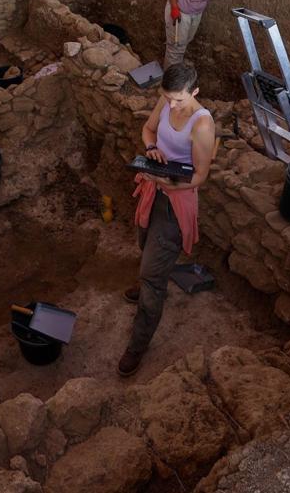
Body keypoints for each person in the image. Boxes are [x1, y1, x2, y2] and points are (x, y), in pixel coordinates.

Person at [118, 62, 216, 377]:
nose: (171, 105)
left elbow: (200, 177)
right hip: (154, 188)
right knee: (144, 240)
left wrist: (163, 182)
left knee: (153, 279)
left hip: (177, 202)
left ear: (195, 92)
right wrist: (151, 149)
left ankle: (137, 345)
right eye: (167, 98)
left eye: (178, 101)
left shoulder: (201, 124)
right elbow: (148, 129)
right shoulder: (167, 98)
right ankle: (148, 277)